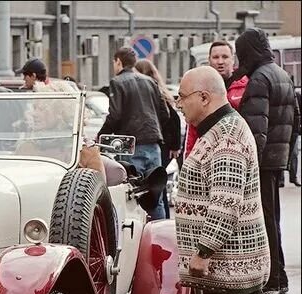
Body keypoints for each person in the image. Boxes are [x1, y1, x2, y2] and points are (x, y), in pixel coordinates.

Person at [175, 66, 269, 294]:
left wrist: (203, 250)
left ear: (204, 97)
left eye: (183, 97)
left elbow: (225, 202)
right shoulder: (219, 130)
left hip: (230, 263)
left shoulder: (226, 137)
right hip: (232, 263)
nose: (179, 104)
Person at [236, 28, 299, 294]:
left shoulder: (260, 79)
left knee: (263, 220)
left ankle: (272, 278)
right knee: (272, 218)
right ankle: (279, 275)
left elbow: (255, 130)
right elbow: (296, 120)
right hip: (276, 159)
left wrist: (250, 161)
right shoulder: (281, 73)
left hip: (261, 162)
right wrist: (283, 153)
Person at [98, 46, 170, 219]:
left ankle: (135, 239)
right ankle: (157, 238)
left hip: (130, 145)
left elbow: (115, 115)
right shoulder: (149, 81)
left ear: (118, 62)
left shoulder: (117, 82)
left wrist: (101, 137)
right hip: (153, 145)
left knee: (133, 196)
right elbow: (164, 113)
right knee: (155, 196)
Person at [184, 41, 249, 156]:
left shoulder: (245, 87)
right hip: (207, 155)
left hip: (238, 154)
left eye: (225, 57)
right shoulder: (199, 88)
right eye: (215, 57)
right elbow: (192, 129)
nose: (220, 62)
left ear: (233, 59)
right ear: (209, 60)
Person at [135, 59, 182, 215]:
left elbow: (173, 118)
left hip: (161, 144)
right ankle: (163, 219)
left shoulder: (149, 90)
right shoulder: (158, 89)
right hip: (165, 144)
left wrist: (174, 145)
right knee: (158, 186)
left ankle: (161, 221)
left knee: (156, 186)